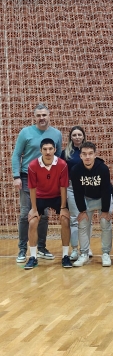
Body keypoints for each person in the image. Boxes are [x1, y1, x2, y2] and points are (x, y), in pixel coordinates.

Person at [12, 104, 62, 263]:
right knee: (25, 214)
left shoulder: (57, 134)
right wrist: (16, 176)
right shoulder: (25, 132)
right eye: (39, 115)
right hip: (27, 178)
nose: (42, 118)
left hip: (46, 180)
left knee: (44, 215)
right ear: (35, 117)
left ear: (49, 116)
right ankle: (22, 249)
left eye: (44, 115)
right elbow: (16, 155)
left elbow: (59, 157)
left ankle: (41, 248)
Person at [24, 138, 70, 270]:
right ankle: (33, 257)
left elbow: (63, 187)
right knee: (33, 222)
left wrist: (63, 207)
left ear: (55, 150)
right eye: (45, 149)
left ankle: (65, 256)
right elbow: (32, 188)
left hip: (57, 196)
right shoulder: (33, 165)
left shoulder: (62, 164)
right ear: (40, 150)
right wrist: (33, 208)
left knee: (65, 220)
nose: (48, 152)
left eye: (50, 149)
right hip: (40, 197)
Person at [70, 142, 113, 267]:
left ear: (95, 154)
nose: (87, 157)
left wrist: (105, 210)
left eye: (90, 154)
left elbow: (106, 190)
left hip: (103, 198)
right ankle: (84, 253)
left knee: (105, 222)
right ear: (80, 156)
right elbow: (77, 192)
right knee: (82, 223)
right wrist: (82, 210)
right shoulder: (75, 170)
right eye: (84, 154)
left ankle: (106, 253)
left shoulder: (103, 168)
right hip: (86, 199)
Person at [60, 126, 94, 261]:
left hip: (88, 186)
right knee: (74, 219)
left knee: (87, 218)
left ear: (83, 136)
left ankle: (86, 247)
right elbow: (62, 172)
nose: (77, 137)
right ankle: (74, 249)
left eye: (79, 134)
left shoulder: (89, 151)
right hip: (72, 187)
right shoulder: (65, 153)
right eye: (74, 135)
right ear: (71, 137)